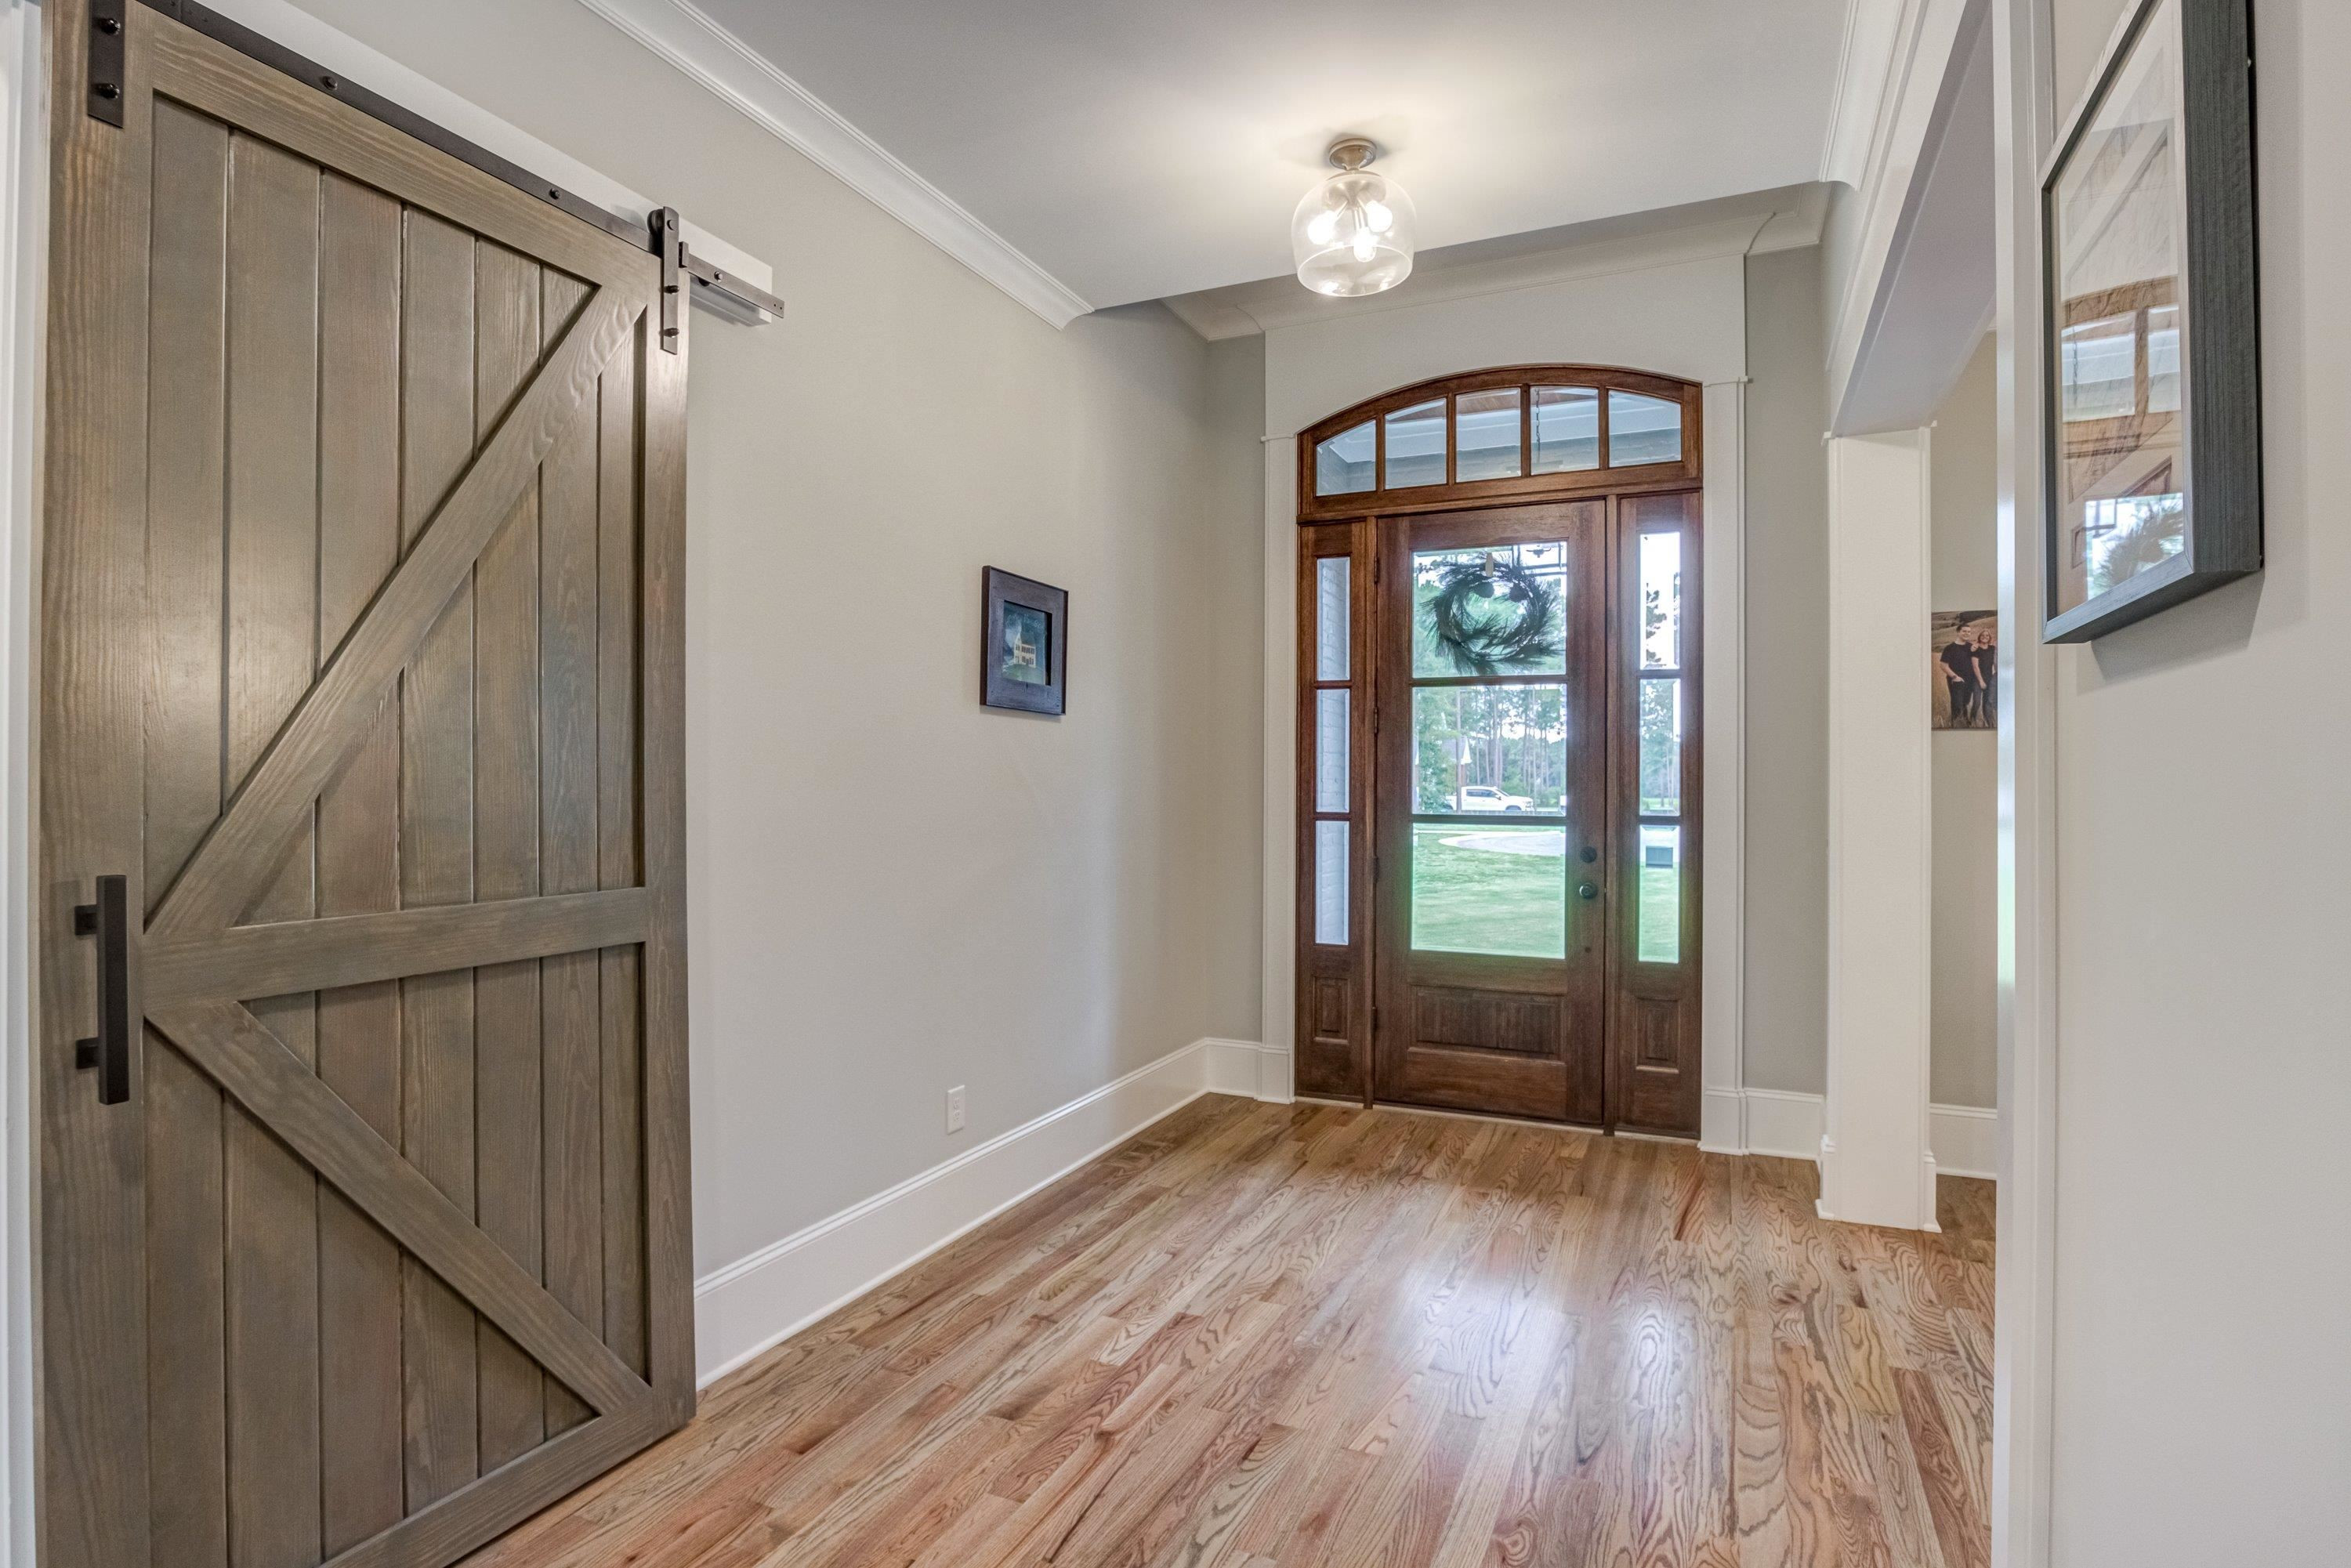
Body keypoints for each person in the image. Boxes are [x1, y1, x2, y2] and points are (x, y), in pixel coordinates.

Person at [1939, 626, 1980, 727]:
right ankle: (1957, 726)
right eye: (1964, 631)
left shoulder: (1971, 647)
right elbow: (1943, 665)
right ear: (1958, 632)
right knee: (1957, 704)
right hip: (1956, 681)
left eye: (1969, 632)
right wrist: (1955, 677)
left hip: (1969, 680)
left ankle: (1964, 724)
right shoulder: (1950, 648)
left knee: (1965, 703)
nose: (1967, 633)